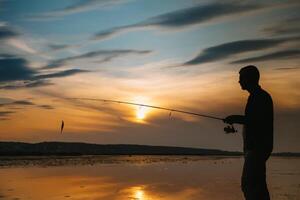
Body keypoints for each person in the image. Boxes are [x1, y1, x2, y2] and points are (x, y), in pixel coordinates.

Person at [224, 65, 273, 200]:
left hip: (257, 148)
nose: (239, 81)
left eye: (241, 78)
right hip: (254, 148)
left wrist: (235, 118)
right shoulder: (256, 96)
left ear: (249, 79)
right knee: (256, 185)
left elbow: (254, 120)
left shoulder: (260, 97)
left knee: (250, 184)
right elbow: (253, 121)